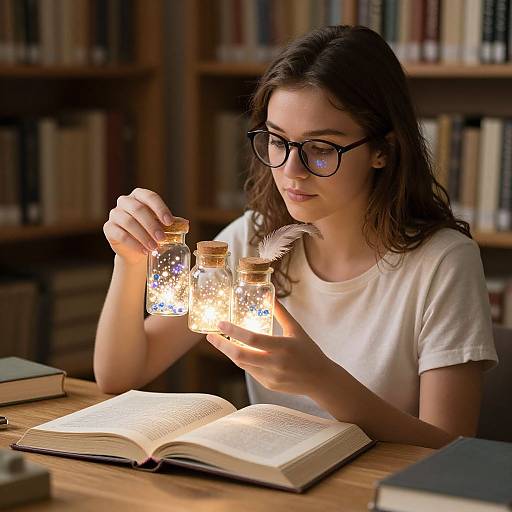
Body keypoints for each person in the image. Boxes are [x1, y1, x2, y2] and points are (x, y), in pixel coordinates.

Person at [94, 25, 498, 448]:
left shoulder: (443, 263)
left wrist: (323, 381)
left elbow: (451, 449)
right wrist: (130, 260)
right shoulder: (252, 241)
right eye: (277, 141)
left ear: (384, 151)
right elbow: (119, 374)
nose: (290, 171)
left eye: (321, 148)